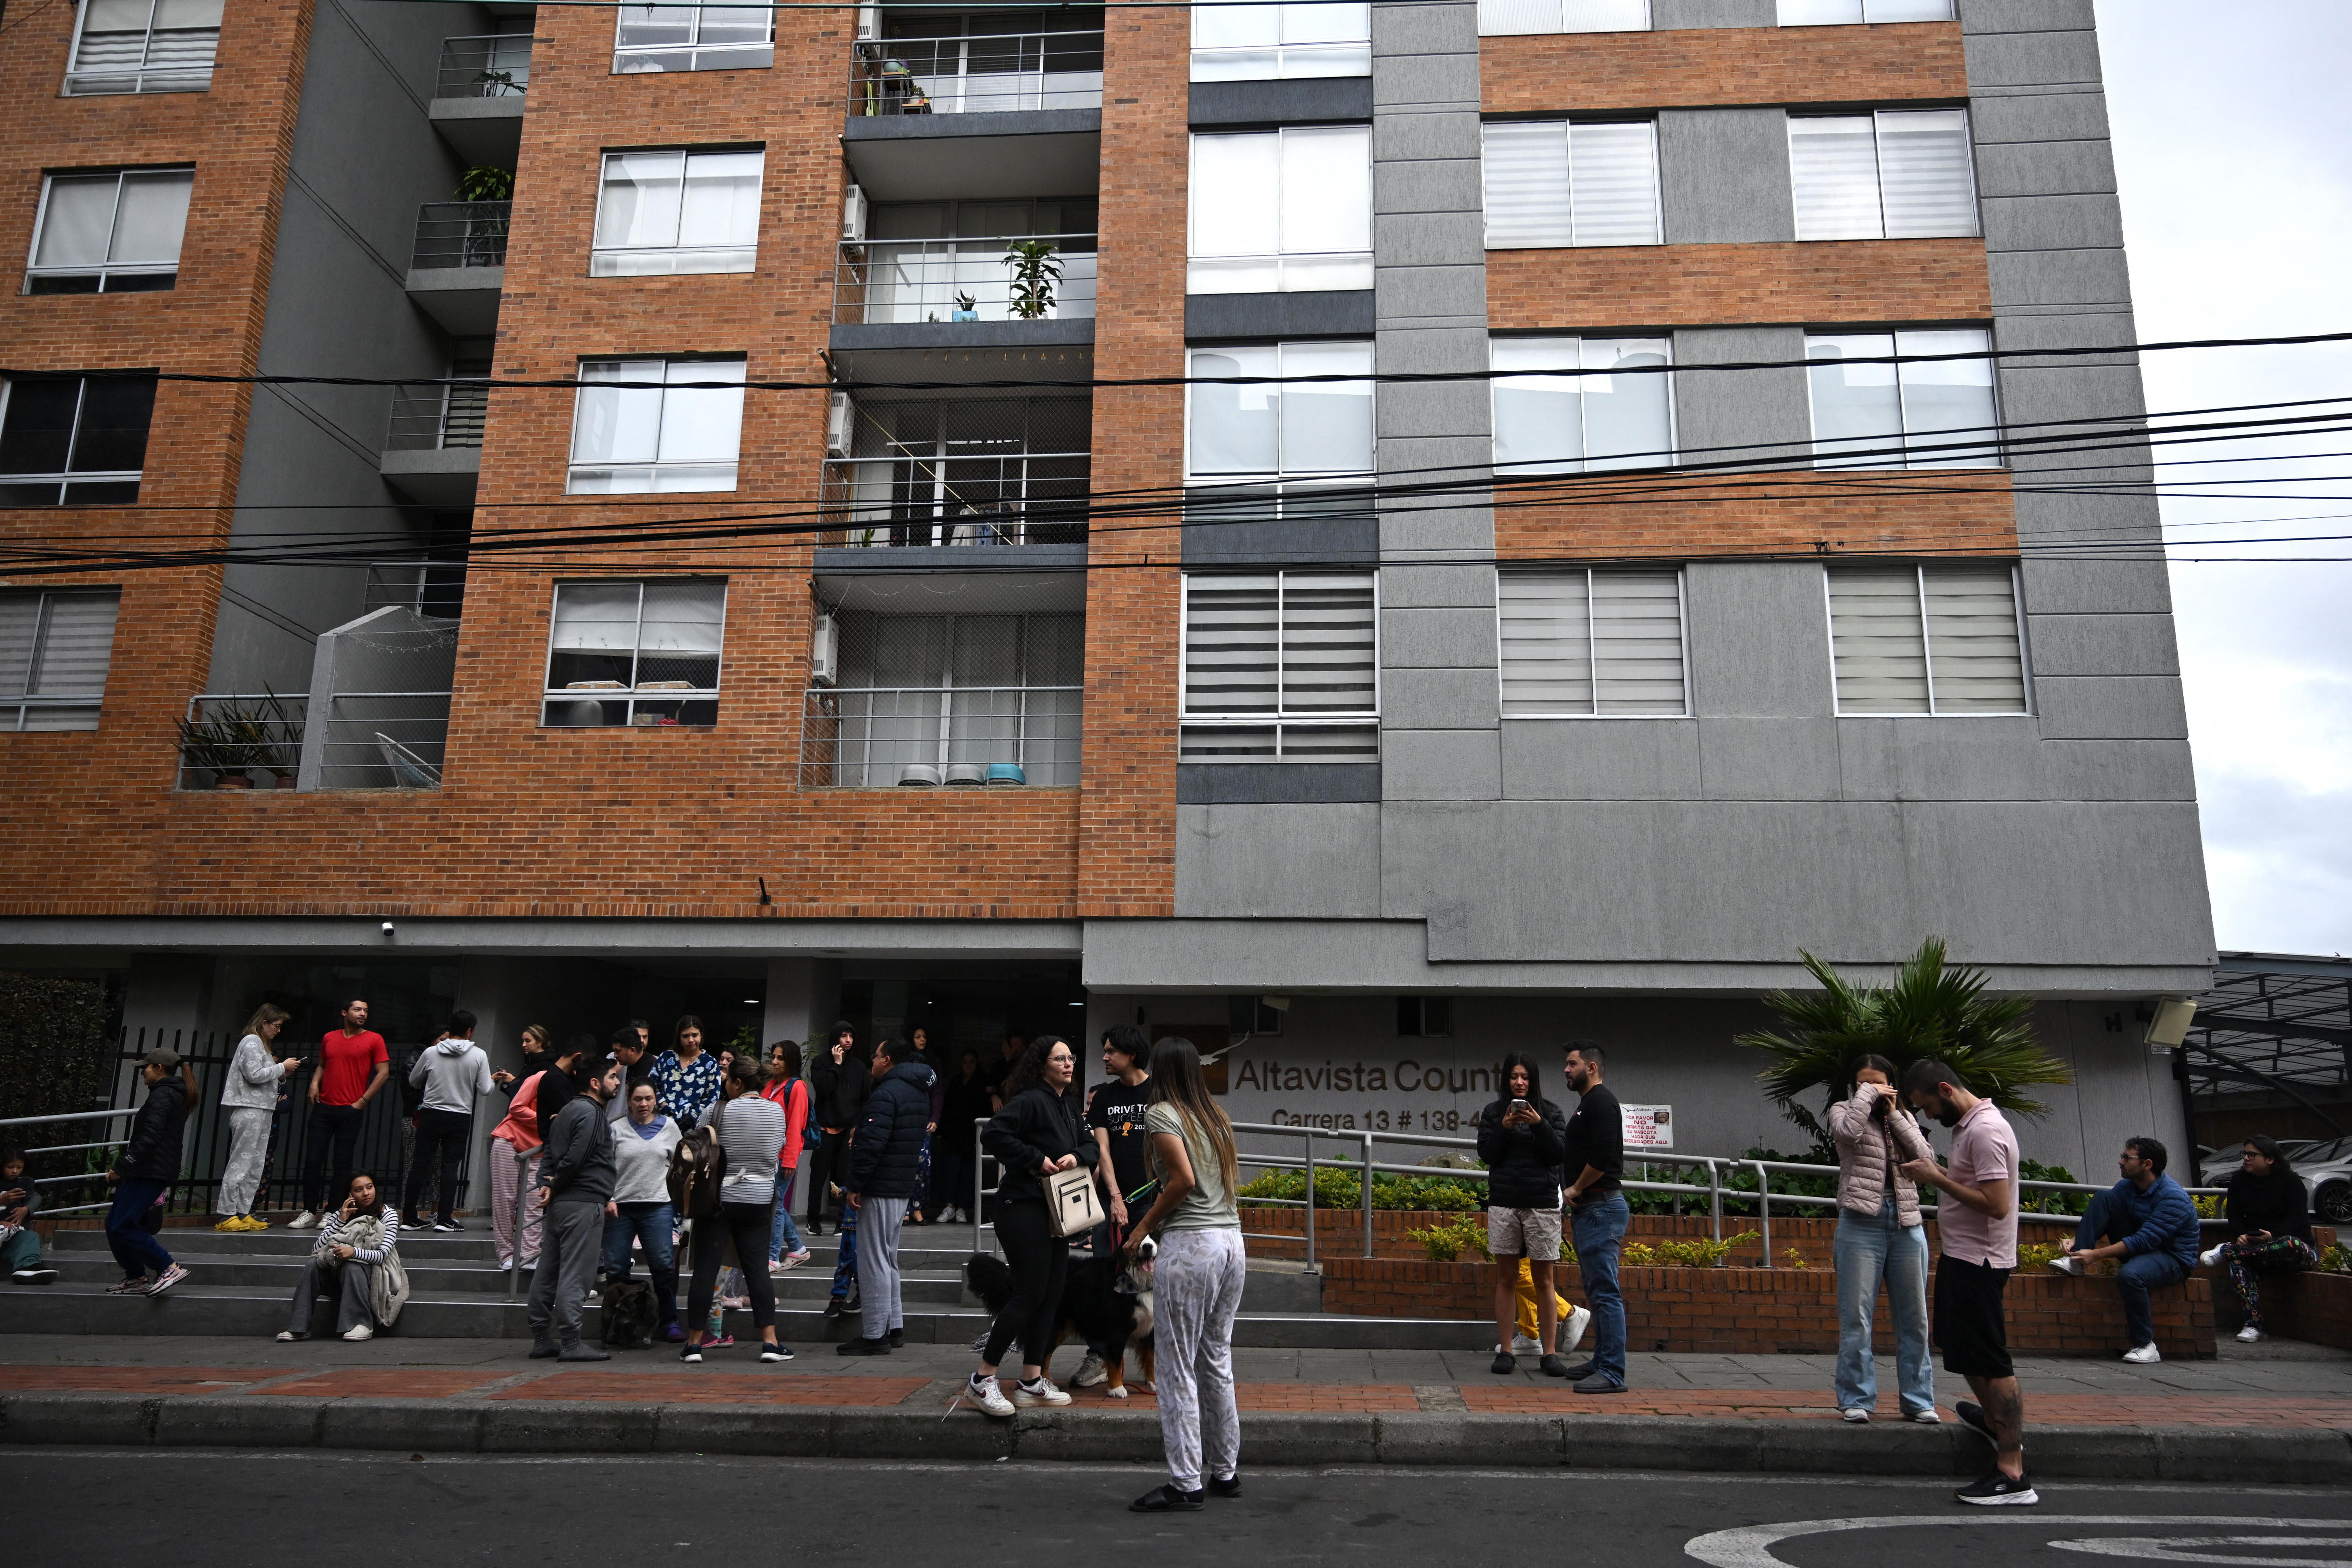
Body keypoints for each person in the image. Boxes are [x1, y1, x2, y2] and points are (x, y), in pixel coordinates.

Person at [1901, 1059, 2037, 1507]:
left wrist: (1936, 1177)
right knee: (1966, 1352)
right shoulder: (1969, 1128)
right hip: (1964, 1257)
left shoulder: (1985, 1131)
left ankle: (2012, 1470)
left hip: (1981, 1261)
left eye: (1928, 1107)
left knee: (1992, 1361)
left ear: (1945, 1089)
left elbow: (1997, 1205)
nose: (1929, 1116)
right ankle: (1996, 1422)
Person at [1121, 1037, 1245, 1512]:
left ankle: (1185, 1481)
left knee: (1175, 1365)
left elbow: (1183, 1180)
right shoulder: (1216, 1116)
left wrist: (1144, 1225)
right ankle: (1226, 1471)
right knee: (1215, 1358)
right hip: (1232, 1242)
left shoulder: (1162, 1114)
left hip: (1192, 1245)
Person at [964, 1036, 1095, 1416]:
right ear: (1042, 1066)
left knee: (1051, 1296)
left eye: (1071, 1058)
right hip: (1021, 1207)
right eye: (1060, 1059)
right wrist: (1035, 1160)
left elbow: (1092, 1148)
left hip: (1053, 1210)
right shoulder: (1030, 1101)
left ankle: (1031, 1381)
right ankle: (983, 1378)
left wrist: (1075, 1155)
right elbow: (994, 1133)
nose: (1069, 1064)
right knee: (1028, 1293)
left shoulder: (1068, 1106)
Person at [1827, 1052, 1938, 1423]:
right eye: (1864, 1083)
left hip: (1907, 1223)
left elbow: (1925, 1159)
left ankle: (1919, 1400)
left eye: (1879, 1083)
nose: (1873, 1090)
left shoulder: (1902, 1117)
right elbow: (1847, 1135)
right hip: (1860, 1224)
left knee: (1915, 1319)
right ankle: (1856, 1399)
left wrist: (1893, 1112)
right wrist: (1865, 1097)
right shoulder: (1842, 1110)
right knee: (1856, 1317)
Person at [2049, 1136, 2201, 1365]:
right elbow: (2107, 1217)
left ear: (2147, 1164)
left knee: (2131, 1275)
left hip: (2173, 1258)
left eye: (2127, 1158)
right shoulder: (2127, 1187)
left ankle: (2145, 1345)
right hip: (2141, 1249)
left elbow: (2145, 1240)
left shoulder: (2174, 1197)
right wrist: (2076, 1241)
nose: (2121, 1162)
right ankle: (2076, 1261)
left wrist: (2096, 1255)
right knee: (2103, 1197)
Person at [680, 1055, 792, 1364]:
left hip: (719, 1200)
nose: (724, 1085)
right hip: (758, 1200)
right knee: (758, 1270)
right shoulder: (777, 1112)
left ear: (738, 1083)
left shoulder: (717, 1110)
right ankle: (770, 1343)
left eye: (727, 1080)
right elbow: (776, 1150)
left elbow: (695, 1149)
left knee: (705, 1269)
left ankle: (693, 1345)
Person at [838, 1037, 935, 1355]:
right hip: (901, 1185)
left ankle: (875, 1335)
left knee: (873, 1261)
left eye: (875, 1056)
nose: (872, 1063)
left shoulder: (887, 1093)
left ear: (888, 1060)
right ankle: (893, 1328)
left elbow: (871, 1144)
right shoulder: (918, 1092)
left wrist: (854, 1184)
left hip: (880, 1186)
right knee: (888, 1259)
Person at [1477, 1051, 1571, 1377]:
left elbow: (1559, 1154)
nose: (1519, 1082)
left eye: (1525, 1077)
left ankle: (1549, 1353)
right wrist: (1503, 1127)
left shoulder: (1551, 1113)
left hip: (1542, 1203)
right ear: (1506, 1080)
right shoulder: (1493, 1112)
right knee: (1506, 1278)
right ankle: (1506, 1351)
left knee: (1545, 1281)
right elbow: (1487, 1155)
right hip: (1504, 1202)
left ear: (1533, 1081)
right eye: (1514, 1077)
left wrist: (1539, 1124)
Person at [1075, 1024, 1156, 1389]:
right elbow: (1102, 1151)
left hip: (1153, 1204)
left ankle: (1156, 1363)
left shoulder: (1159, 1092)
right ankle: (1101, 1354)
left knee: (1154, 1284)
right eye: (1104, 1051)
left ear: (1132, 1054)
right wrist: (1115, 1197)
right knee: (1108, 1282)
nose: (1105, 1057)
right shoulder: (1105, 1096)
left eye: (1111, 1051)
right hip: (1114, 1204)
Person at [527, 1057, 620, 1361]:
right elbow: (578, 1156)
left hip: (560, 1205)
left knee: (548, 1271)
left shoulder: (566, 1111)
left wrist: (547, 1182)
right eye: (613, 1077)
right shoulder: (592, 1114)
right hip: (583, 1202)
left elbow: (550, 1152)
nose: (618, 1083)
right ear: (595, 1083)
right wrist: (553, 1184)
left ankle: (542, 1339)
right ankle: (570, 1342)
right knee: (576, 1275)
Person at [1557, 1041, 1627, 1394]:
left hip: (1600, 1207)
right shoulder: (1588, 1105)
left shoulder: (1601, 1102)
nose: (1566, 1071)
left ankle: (1613, 1372)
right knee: (1595, 1289)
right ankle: (1602, 1361)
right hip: (1592, 1210)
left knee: (1604, 1292)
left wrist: (1575, 1189)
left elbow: (1602, 1155)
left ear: (1592, 1067)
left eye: (1572, 1064)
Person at [2202, 1135, 2318, 1344]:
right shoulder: (2239, 1180)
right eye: (2244, 1154)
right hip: (2258, 1249)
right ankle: (2254, 1325)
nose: (2246, 1158)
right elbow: (2234, 1214)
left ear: (2270, 1159)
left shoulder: (2290, 1181)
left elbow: (2298, 1218)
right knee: (2239, 1263)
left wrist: (2274, 1236)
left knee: (2289, 1242)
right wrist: (2240, 1235)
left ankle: (2226, 1250)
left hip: (2296, 1251)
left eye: (2252, 1154)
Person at [291, 998, 389, 1229]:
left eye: (366, 1010)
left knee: (342, 1163)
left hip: (351, 1109)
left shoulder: (374, 1039)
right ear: (345, 1012)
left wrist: (362, 1101)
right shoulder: (330, 1037)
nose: (363, 1014)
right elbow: (323, 1065)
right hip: (324, 1107)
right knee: (313, 1160)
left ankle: (333, 1211)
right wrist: (315, 1083)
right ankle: (308, 1211)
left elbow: (383, 1073)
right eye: (358, 1010)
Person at [105, 1047, 196, 1296]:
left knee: (124, 1224)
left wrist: (122, 1165)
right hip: (148, 1169)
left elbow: (150, 1137)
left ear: (159, 1068)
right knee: (114, 1223)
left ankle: (168, 1267)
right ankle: (135, 1276)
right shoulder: (166, 1093)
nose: (142, 1072)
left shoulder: (164, 1095)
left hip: (150, 1170)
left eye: (145, 1067)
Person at [275, 1172, 401, 1342]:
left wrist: (353, 1253)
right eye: (359, 1190)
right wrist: (341, 1221)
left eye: (370, 1187)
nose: (366, 1193)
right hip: (340, 1277)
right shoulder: (340, 1215)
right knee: (314, 1263)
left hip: (376, 1278)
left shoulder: (388, 1214)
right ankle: (299, 1327)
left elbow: (382, 1256)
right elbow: (317, 1249)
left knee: (352, 1264)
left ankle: (361, 1324)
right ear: (350, 1195)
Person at [604, 1079, 684, 1342]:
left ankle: (668, 1321)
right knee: (616, 1267)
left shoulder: (671, 1128)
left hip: (658, 1205)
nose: (643, 1104)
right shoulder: (616, 1129)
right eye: (638, 1099)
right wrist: (609, 1197)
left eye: (648, 1098)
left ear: (655, 1100)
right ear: (629, 1101)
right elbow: (603, 1167)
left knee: (662, 1265)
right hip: (621, 1207)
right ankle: (619, 1324)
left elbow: (680, 1167)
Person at [403, 1010, 495, 1232]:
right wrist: (493, 1080)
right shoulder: (479, 1055)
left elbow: (414, 1080)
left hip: (431, 1114)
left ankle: (409, 1218)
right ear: (470, 1031)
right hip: (460, 1116)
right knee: (450, 1166)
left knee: (420, 1165)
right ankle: (445, 1219)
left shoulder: (431, 1052)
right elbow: (486, 1090)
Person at [216, 1003, 301, 1231]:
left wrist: (281, 1073)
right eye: (276, 1025)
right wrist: (281, 1066)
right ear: (264, 1023)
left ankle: (244, 1212)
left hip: (262, 1109)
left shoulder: (262, 1046)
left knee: (255, 1164)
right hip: (248, 1108)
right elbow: (254, 1076)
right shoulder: (251, 1042)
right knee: (241, 1162)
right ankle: (227, 1215)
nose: (278, 1030)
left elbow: (264, 1077)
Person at [489, 1050, 548, 1272]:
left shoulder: (574, 1090)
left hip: (539, 1150)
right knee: (505, 1201)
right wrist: (547, 1120)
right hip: (509, 1141)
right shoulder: (539, 1078)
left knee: (535, 1204)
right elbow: (516, 1107)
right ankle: (506, 1255)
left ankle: (530, 1255)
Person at [807, 1022, 866, 1236]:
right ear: (835, 1039)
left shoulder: (859, 1067)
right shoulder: (821, 1062)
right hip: (824, 1129)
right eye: (843, 1036)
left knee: (844, 1177)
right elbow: (823, 1089)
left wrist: (856, 1128)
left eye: (851, 1036)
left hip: (848, 1130)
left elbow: (863, 1100)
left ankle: (843, 1222)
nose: (848, 1040)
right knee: (818, 1177)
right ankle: (813, 1222)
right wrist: (838, 1065)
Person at [762, 1041, 814, 1271]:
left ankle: (773, 1257)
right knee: (777, 1204)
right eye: (774, 1057)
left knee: (774, 1205)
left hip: (784, 1155)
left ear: (791, 1061)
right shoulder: (772, 1085)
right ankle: (797, 1248)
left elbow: (796, 1126)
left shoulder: (798, 1087)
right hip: (768, 1155)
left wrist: (791, 1160)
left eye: (780, 1058)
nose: (774, 1062)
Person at [936, 1047, 990, 1225]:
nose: (968, 1065)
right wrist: (941, 1129)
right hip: (953, 1134)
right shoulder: (955, 1081)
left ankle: (962, 1209)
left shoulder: (982, 1083)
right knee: (951, 1170)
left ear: (977, 1064)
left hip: (971, 1135)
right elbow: (947, 1107)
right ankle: (949, 1207)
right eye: (965, 1061)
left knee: (968, 1174)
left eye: (972, 1062)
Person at [650, 1015, 723, 1131]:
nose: (691, 1040)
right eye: (686, 1036)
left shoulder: (710, 1063)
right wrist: (663, 1105)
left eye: (695, 1035)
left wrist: (689, 1117)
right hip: (661, 1124)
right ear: (679, 1037)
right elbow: (651, 1086)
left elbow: (712, 1098)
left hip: (694, 1130)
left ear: (702, 1035)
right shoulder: (666, 1058)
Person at [3, 1148, 57, 1284]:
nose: (15, 1171)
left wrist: (26, 1209)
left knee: (30, 1236)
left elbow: (36, 1197)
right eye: (10, 1167)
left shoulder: (22, 1183)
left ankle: (28, 1268)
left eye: (19, 1167)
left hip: (9, 1233)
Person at [907, 1024, 944, 1224]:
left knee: (922, 1166)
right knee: (904, 1163)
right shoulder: (903, 1060)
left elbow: (937, 1091)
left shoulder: (933, 1061)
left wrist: (935, 1117)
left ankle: (918, 1209)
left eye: (924, 1036)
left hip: (925, 1119)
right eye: (917, 1036)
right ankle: (903, 1209)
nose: (922, 1040)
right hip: (905, 1119)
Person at [607, 1025, 656, 1122]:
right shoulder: (628, 1064)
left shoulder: (653, 1067)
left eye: (618, 1051)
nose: (615, 1055)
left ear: (632, 1051)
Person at [985, 1032, 1027, 1112]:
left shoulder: (1028, 1065)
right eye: (1015, 1045)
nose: (1019, 1049)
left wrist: (1009, 1060)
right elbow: (992, 1087)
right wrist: (994, 1096)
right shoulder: (998, 1065)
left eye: (1022, 1045)